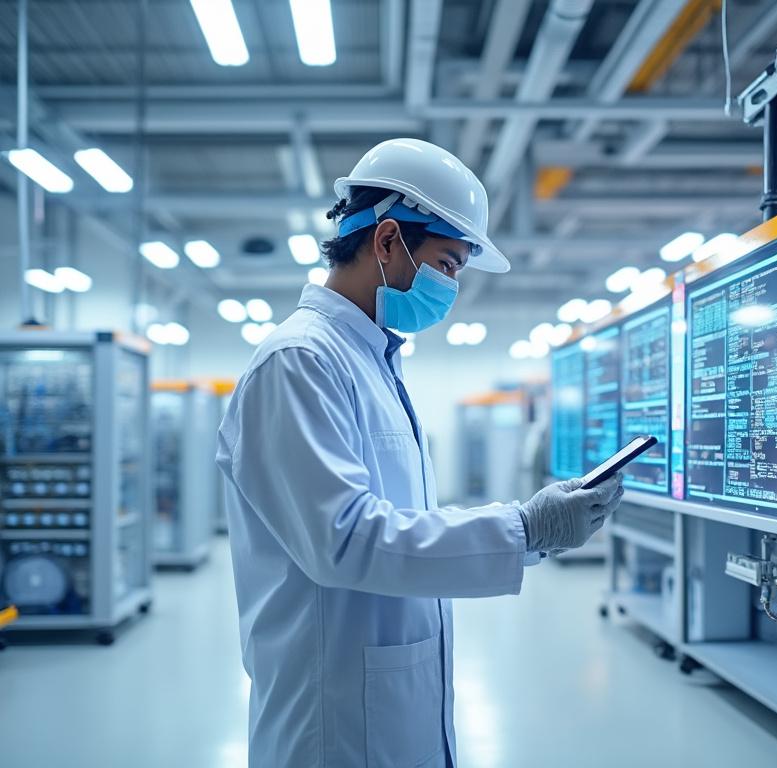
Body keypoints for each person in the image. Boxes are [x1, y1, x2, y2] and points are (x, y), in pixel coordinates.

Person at [216, 138, 624, 768]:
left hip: (387, 694)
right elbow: (344, 539)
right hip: (333, 717)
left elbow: (399, 524)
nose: (451, 285)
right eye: (448, 264)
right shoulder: (299, 362)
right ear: (385, 242)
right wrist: (522, 529)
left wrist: (528, 534)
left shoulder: (371, 360)